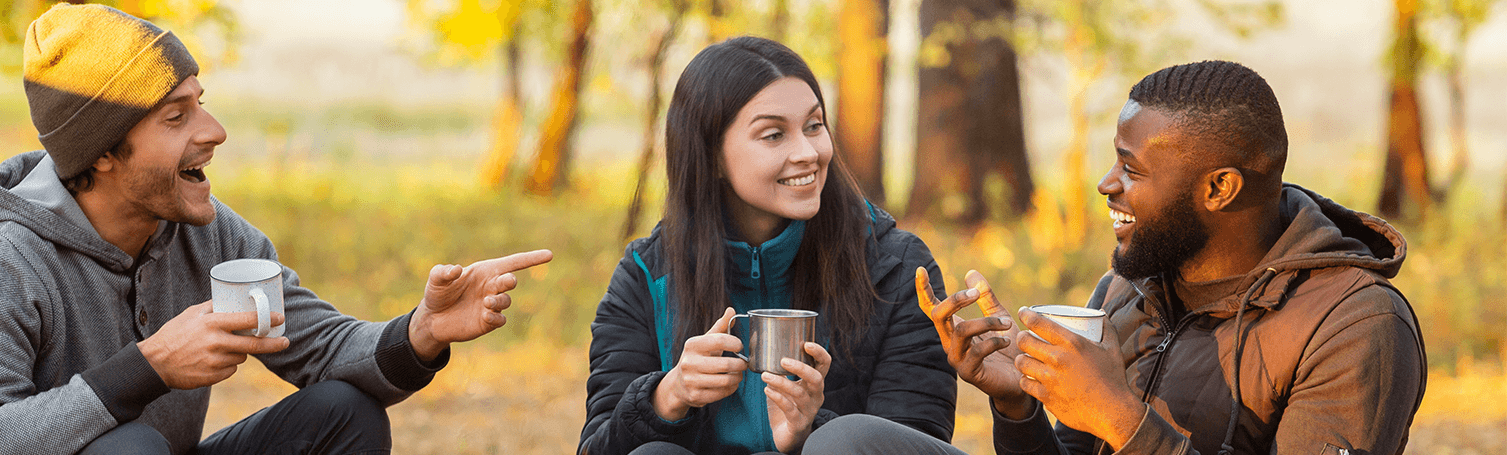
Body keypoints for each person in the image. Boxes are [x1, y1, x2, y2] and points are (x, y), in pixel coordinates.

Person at [0, 4, 552, 454]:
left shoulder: (208, 236)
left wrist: (423, 330)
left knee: (341, 415)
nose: (213, 133)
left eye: (201, 106)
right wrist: (147, 366)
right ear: (102, 151)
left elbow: (322, 347)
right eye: (176, 116)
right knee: (124, 445)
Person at [909, 60, 1426, 455]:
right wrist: (1018, 406)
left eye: (1131, 169)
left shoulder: (1355, 325)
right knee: (863, 440)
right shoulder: (1127, 287)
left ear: (1220, 187)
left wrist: (1124, 423)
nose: (1106, 184)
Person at [578, 36, 960, 455]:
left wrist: (808, 430)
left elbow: (909, 442)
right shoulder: (647, 275)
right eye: (774, 135)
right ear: (711, 157)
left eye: (814, 126)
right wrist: (667, 398)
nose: (808, 153)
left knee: (843, 439)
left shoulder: (896, 267)